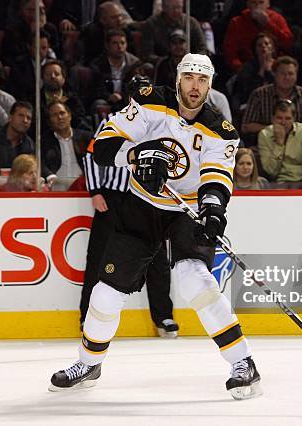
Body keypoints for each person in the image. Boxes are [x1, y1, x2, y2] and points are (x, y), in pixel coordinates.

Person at [49, 54, 262, 400]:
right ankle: (88, 363)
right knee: (106, 291)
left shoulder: (222, 131)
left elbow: (216, 178)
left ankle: (243, 363)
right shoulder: (150, 102)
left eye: (202, 80)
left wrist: (212, 210)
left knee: (196, 279)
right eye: (190, 77)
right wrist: (137, 157)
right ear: (178, 79)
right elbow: (103, 147)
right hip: (142, 204)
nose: (195, 86)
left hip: (186, 208)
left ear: (210, 86)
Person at [81, 74, 180, 338]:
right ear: (130, 96)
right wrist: (96, 191)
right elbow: (91, 155)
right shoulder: (115, 121)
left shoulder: (164, 123)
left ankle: (164, 316)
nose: (142, 96)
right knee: (99, 257)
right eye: (138, 92)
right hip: (112, 198)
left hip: (148, 200)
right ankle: (86, 316)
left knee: (158, 259)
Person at [242, 56, 302, 145]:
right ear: (275, 74)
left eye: (291, 73)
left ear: (296, 76)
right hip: (266, 144)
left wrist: (295, 131)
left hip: (299, 145)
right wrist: (273, 129)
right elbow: (246, 126)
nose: (287, 77)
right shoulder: (259, 95)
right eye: (283, 73)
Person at [258, 101, 302, 189]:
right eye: (279, 118)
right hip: (279, 182)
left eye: (288, 118)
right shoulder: (264, 135)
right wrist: (279, 144)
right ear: (272, 118)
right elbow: (271, 170)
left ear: (294, 119)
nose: (283, 122)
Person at [222, 0, 293, 73]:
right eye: (253, 2)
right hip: (247, 66)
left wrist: (268, 24)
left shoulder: (277, 19)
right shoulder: (236, 22)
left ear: (268, 4)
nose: (257, 6)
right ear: (248, 4)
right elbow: (229, 52)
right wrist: (240, 68)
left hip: (275, 66)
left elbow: (288, 44)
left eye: (261, 2)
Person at [41, 101, 92, 182]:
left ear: (69, 116)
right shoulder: (43, 141)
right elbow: (40, 163)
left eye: (62, 113)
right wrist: (49, 176)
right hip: (56, 186)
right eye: (54, 115)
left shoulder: (88, 138)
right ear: (50, 121)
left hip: (83, 184)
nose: (60, 117)